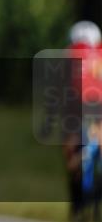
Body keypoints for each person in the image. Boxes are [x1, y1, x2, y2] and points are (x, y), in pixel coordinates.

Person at [64, 20, 102, 221]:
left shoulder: (69, 54)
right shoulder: (99, 54)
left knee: (71, 151)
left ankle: (77, 207)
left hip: (77, 109)